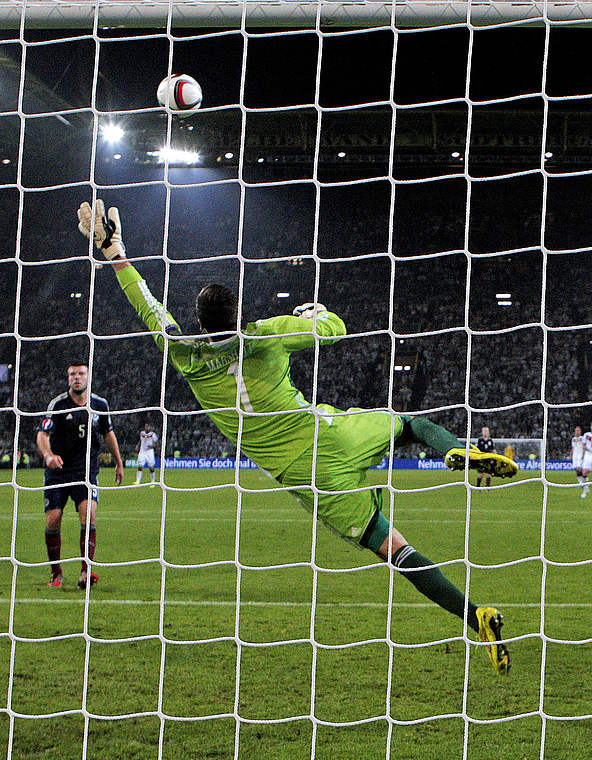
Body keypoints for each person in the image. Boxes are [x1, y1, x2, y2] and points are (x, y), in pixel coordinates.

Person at [78, 199, 517, 675]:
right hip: (329, 432)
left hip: (309, 476)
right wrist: (315, 312)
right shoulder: (265, 334)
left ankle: (476, 616)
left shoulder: (184, 353)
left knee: (394, 549)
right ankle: (452, 446)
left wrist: (115, 250)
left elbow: (148, 305)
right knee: (409, 425)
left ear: (200, 324)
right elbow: (334, 330)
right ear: (237, 313)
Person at [37, 362, 124, 590]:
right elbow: (42, 434)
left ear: (88, 377)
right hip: (58, 471)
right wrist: (48, 455)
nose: (77, 378)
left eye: (81, 373)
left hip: (86, 472)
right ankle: (56, 573)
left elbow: (108, 434)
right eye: (73, 374)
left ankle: (86, 571)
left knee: (89, 514)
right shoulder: (57, 405)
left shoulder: (99, 404)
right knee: (53, 519)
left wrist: (118, 462)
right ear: (68, 379)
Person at [570, 425, 588, 494]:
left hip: (580, 455)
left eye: (578, 430)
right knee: (576, 469)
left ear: (580, 431)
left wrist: (584, 455)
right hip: (575, 455)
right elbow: (573, 448)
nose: (577, 432)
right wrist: (571, 455)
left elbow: (584, 447)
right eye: (576, 430)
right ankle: (581, 482)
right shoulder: (573, 439)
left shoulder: (583, 438)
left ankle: (583, 482)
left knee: (580, 468)